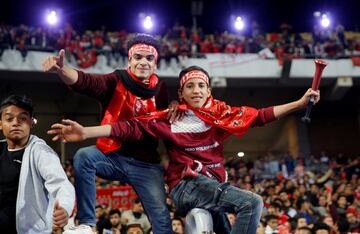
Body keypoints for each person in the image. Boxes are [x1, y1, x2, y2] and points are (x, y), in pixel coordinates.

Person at [48, 66, 321, 234]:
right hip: (185, 185)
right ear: (182, 92)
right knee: (252, 202)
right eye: (190, 86)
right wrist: (86, 132)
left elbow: (261, 116)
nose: (196, 90)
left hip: (212, 186)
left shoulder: (221, 113)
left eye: (201, 85)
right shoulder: (170, 117)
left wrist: (298, 104)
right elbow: (128, 127)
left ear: (209, 89)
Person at [42, 33, 172, 234]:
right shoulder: (115, 80)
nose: (143, 62)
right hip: (114, 156)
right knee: (84, 156)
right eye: (138, 57)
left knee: (162, 221)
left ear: (156, 64)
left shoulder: (161, 90)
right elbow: (87, 82)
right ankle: (87, 224)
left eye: (149, 58)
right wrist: (62, 70)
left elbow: (165, 130)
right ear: (129, 60)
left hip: (147, 165)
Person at [0, 94, 75, 234]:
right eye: (9, 119)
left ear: (31, 123)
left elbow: (61, 183)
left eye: (23, 118)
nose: (15, 122)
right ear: (0, 124)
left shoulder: (41, 152)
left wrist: (64, 208)